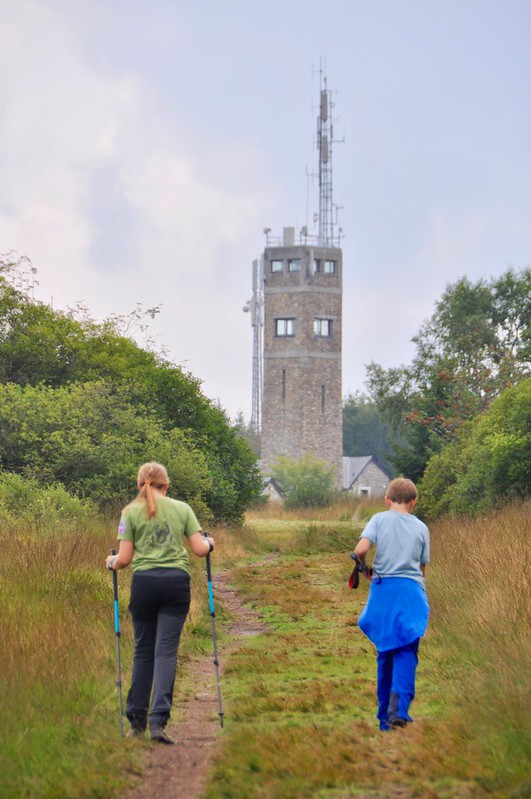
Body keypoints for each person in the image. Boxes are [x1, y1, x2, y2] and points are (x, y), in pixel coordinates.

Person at [105, 462, 215, 744]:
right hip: (175, 584)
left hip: (145, 584)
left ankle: (137, 722)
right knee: (166, 652)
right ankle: (159, 724)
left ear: (139, 485)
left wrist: (111, 561)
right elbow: (201, 550)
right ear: (166, 485)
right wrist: (210, 542)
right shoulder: (182, 508)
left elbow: (125, 559)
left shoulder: (129, 512)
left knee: (143, 652)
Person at [352, 477, 430, 731]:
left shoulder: (378, 519)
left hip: (383, 591)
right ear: (414, 502)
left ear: (387, 500)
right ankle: (400, 710)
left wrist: (364, 569)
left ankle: (385, 719)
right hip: (410, 592)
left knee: (385, 651)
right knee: (406, 649)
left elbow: (360, 549)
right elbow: (422, 568)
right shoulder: (421, 527)